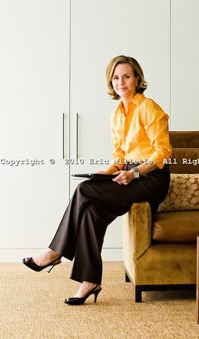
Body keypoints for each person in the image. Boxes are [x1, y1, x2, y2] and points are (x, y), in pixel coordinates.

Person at [23, 55, 172, 305]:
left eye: (126, 76)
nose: (121, 82)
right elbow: (120, 156)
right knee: (92, 211)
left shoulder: (149, 108)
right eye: (116, 77)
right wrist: (105, 173)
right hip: (128, 173)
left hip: (151, 177)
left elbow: (163, 153)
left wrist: (134, 173)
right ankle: (90, 282)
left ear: (137, 78)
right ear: (110, 81)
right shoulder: (116, 114)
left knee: (83, 190)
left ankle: (55, 252)